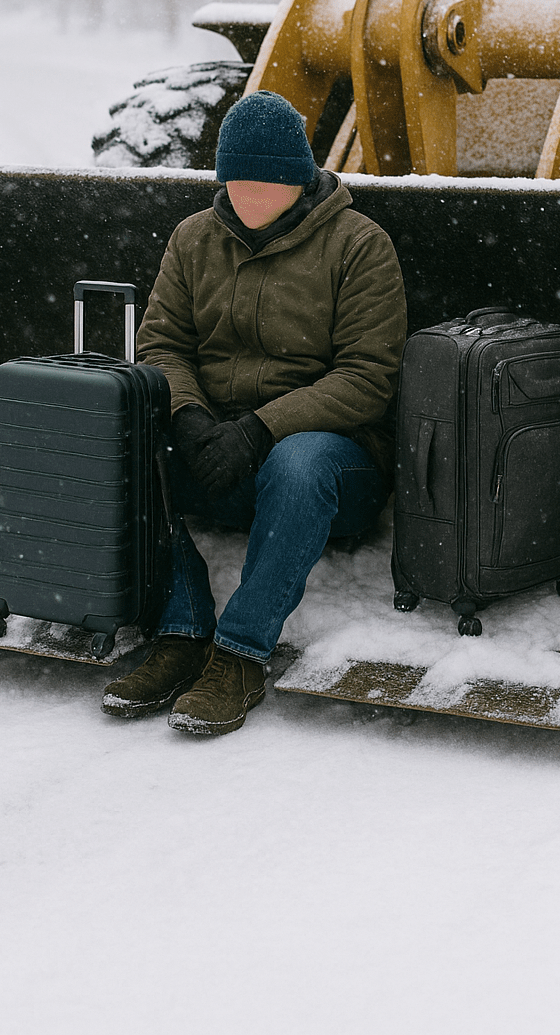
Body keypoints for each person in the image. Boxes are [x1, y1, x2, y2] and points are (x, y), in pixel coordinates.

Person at [101, 90, 408, 736]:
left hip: (328, 462)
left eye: (268, 185)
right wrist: (187, 417)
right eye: (239, 184)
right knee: (124, 443)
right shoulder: (193, 239)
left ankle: (240, 655)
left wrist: (260, 428)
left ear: (301, 179)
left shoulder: (360, 245)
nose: (251, 199)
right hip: (216, 445)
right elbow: (163, 344)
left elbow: (368, 377)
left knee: (299, 463)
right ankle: (181, 631)